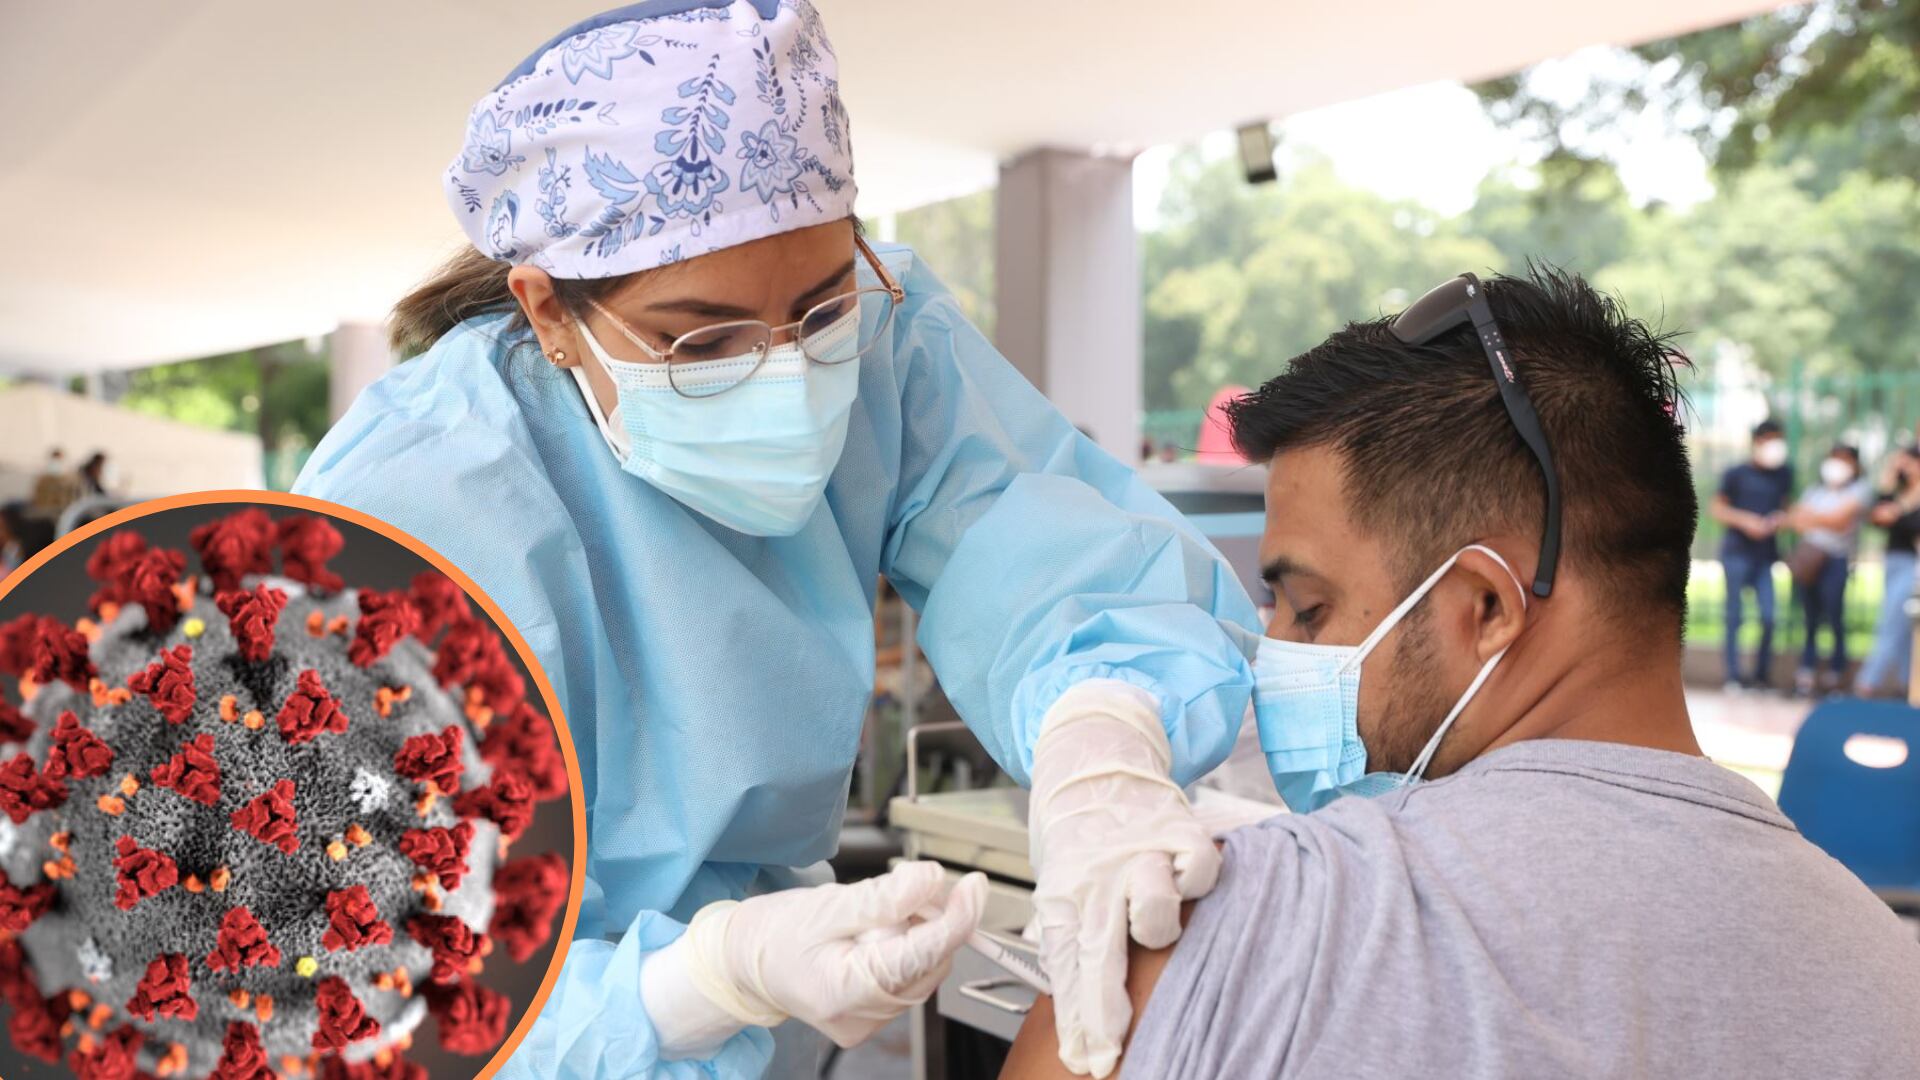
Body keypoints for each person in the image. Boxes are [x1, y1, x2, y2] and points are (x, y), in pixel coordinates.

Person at [294, 3, 1258, 1077]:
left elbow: (1052, 551)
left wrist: (1104, 741)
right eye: (701, 340)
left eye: (820, 308)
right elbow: (340, 975)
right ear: (549, 311)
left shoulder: (887, 344)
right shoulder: (405, 502)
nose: (791, 375)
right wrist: (697, 982)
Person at [1001, 267, 1920, 1079]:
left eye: (1306, 608)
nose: (1268, 649)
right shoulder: (1888, 980)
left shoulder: (1213, 934)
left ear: (1485, 607)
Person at [1710, 420, 1792, 690]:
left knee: (1769, 616)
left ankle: (1760, 675)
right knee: (1735, 616)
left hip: (1765, 556)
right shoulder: (1736, 473)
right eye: (1770, 439)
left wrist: (1779, 520)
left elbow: (1788, 508)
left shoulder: (1783, 474)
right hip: (1737, 554)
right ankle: (1733, 676)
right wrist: (1747, 521)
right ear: (1757, 441)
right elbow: (1718, 509)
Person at [1787, 444, 1871, 695]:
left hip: (1836, 560)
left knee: (1835, 616)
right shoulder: (1816, 490)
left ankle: (1837, 671)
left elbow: (1840, 521)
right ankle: (1807, 670)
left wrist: (1814, 517)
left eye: (1844, 460)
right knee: (1811, 618)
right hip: (1810, 559)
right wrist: (1823, 518)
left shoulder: (1860, 490)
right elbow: (1795, 520)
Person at [1856, 430, 1920, 697]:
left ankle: (1866, 684)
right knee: (1905, 628)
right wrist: (1887, 485)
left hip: (1912, 565)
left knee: (1892, 623)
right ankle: (1909, 686)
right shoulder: (1900, 494)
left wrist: (1897, 513)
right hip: (1894, 562)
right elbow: (1876, 517)